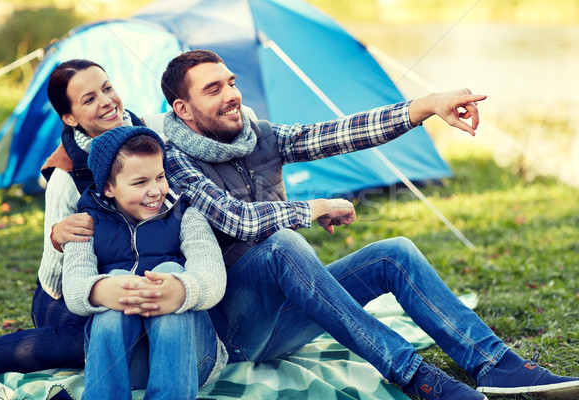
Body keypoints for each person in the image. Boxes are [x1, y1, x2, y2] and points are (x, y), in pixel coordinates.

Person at [154, 49, 579, 400]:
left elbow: (343, 132)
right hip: (236, 332)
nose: (231, 94)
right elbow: (236, 219)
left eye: (231, 82)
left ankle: (496, 366)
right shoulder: (171, 159)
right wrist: (314, 207)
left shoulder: (260, 135)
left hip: (293, 316)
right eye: (214, 89)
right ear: (183, 109)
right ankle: (418, 379)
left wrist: (427, 106)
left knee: (394, 252)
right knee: (282, 243)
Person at [0, 59, 167, 376]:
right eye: (89, 99)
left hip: (134, 279)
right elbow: (54, 281)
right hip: (66, 296)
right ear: (69, 117)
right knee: (90, 339)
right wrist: (57, 240)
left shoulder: (152, 132)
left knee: (138, 341)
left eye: (107, 88)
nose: (107, 101)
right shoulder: (66, 176)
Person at [61, 126, 226, 400]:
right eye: (140, 183)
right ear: (108, 188)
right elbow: (74, 288)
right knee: (113, 283)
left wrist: (180, 290)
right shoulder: (87, 223)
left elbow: (213, 275)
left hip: (192, 361)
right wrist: (105, 290)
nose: (155, 191)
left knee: (170, 271)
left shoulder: (185, 214)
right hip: (127, 366)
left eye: (160, 177)